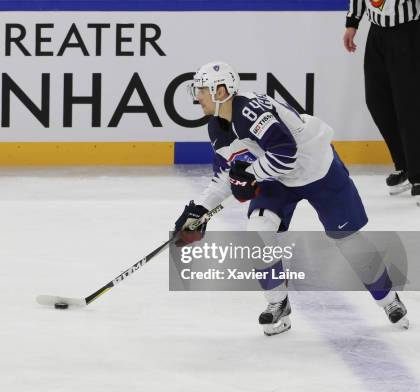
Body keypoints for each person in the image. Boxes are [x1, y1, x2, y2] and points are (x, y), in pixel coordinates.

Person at [174, 61, 409, 336]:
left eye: (202, 89)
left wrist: (250, 174)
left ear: (221, 90)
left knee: (347, 239)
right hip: (277, 177)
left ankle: (387, 299)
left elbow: (286, 153)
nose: (196, 96)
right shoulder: (217, 128)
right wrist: (201, 208)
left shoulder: (249, 111)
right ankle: (278, 304)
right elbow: (228, 173)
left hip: (317, 169)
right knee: (258, 232)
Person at [343, 0, 420, 205]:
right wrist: (352, 23)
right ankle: (404, 164)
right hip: (377, 33)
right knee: (377, 101)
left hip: (408, 32)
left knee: (409, 105)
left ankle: (418, 174)